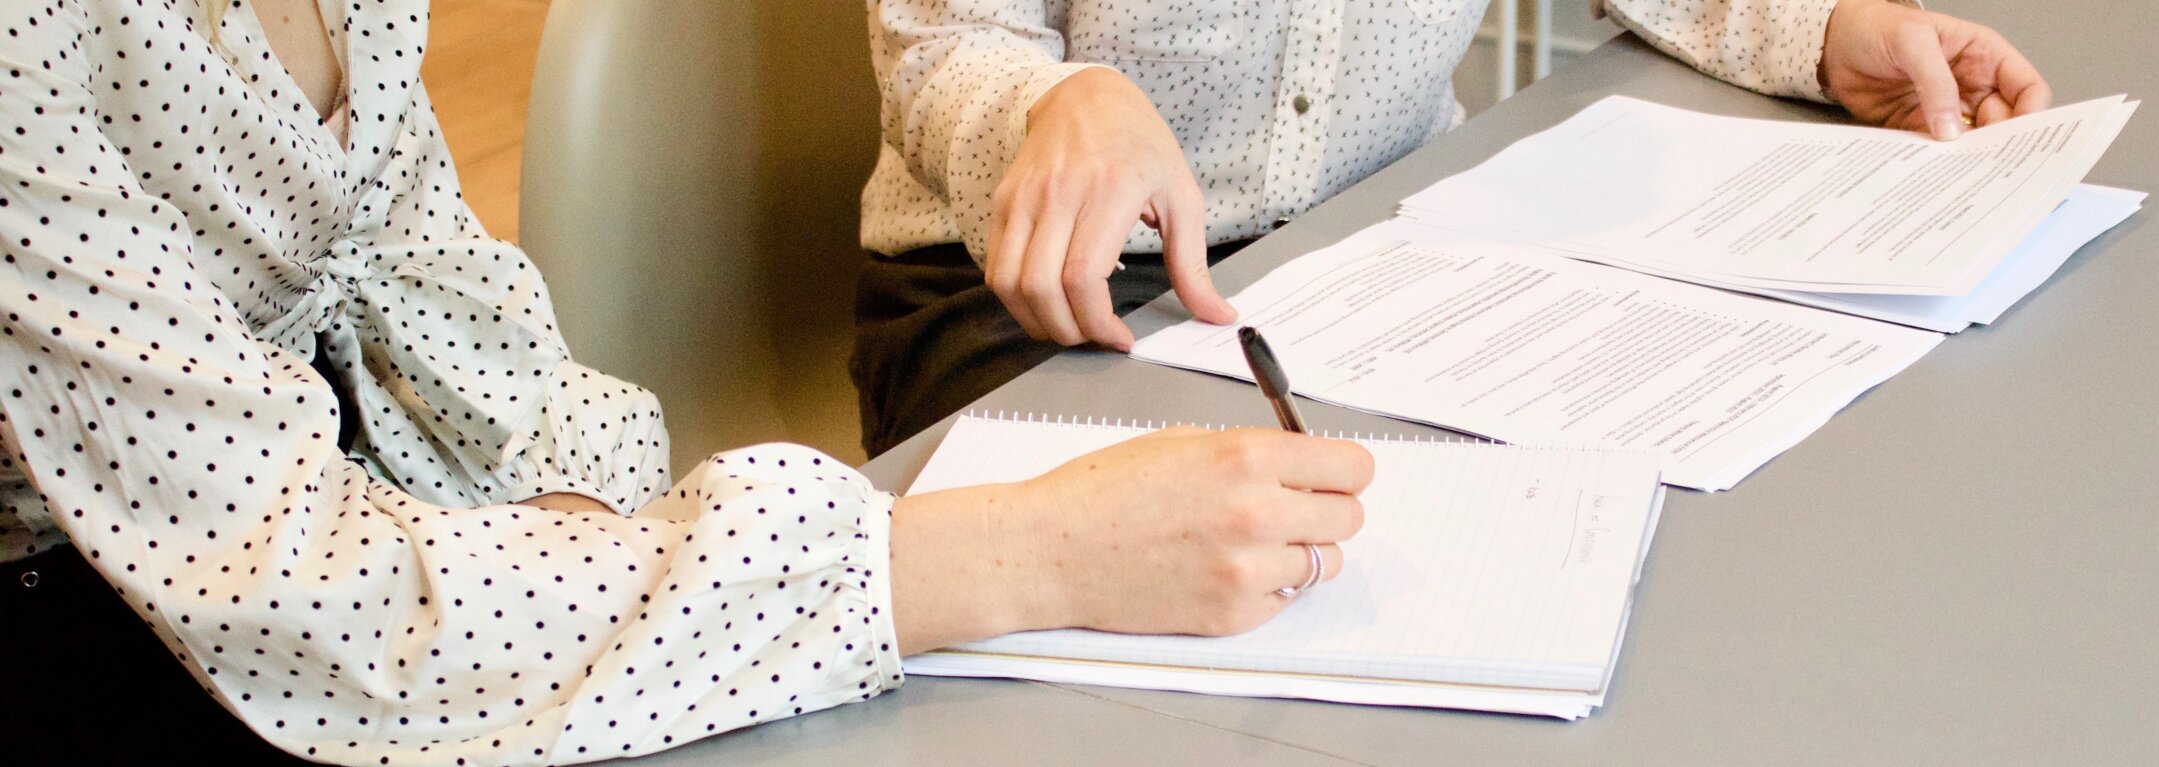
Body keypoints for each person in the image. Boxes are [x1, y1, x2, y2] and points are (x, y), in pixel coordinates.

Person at [0, 0, 1374, 764]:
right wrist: (1014, 555)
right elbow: (315, 600)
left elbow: (440, 299)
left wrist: (602, 534)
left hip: (322, 502)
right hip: (116, 579)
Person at [851, 0, 2054, 454]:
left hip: (1372, 257)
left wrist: (1818, 32)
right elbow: (940, 46)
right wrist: (1058, 103)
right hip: (1026, 289)